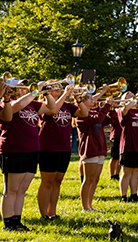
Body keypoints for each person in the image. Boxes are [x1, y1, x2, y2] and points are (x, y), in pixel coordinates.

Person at [0, 79, 54, 231]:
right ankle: (8, 223)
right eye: (20, 87)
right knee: (10, 190)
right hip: (14, 150)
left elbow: (51, 106)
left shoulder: (32, 103)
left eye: (25, 87)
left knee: (21, 190)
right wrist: (33, 92)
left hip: (32, 149)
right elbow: (11, 113)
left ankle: (17, 221)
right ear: (11, 89)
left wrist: (46, 92)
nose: (24, 89)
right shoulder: (8, 104)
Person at [37, 83, 86, 220]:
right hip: (48, 148)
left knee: (57, 182)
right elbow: (52, 111)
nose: (59, 88)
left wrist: (78, 98)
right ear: (47, 90)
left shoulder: (67, 105)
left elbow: (84, 113)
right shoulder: (43, 104)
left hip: (64, 148)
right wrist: (65, 94)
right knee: (47, 182)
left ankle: (52, 212)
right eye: (55, 87)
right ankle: (43, 214)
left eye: (60, 86)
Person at [75, 88, 111, 213]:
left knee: (95, 179)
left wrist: (112, 109)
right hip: (90, 149)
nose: (93, 100)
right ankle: (85, 207)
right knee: (88, 179)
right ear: (83, 101)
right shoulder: (81, 115)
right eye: (90, 98)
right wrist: (107, 105)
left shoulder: (94, 112)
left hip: (100, 149)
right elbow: (97, 119)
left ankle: (90, 205)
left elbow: (107, 120)